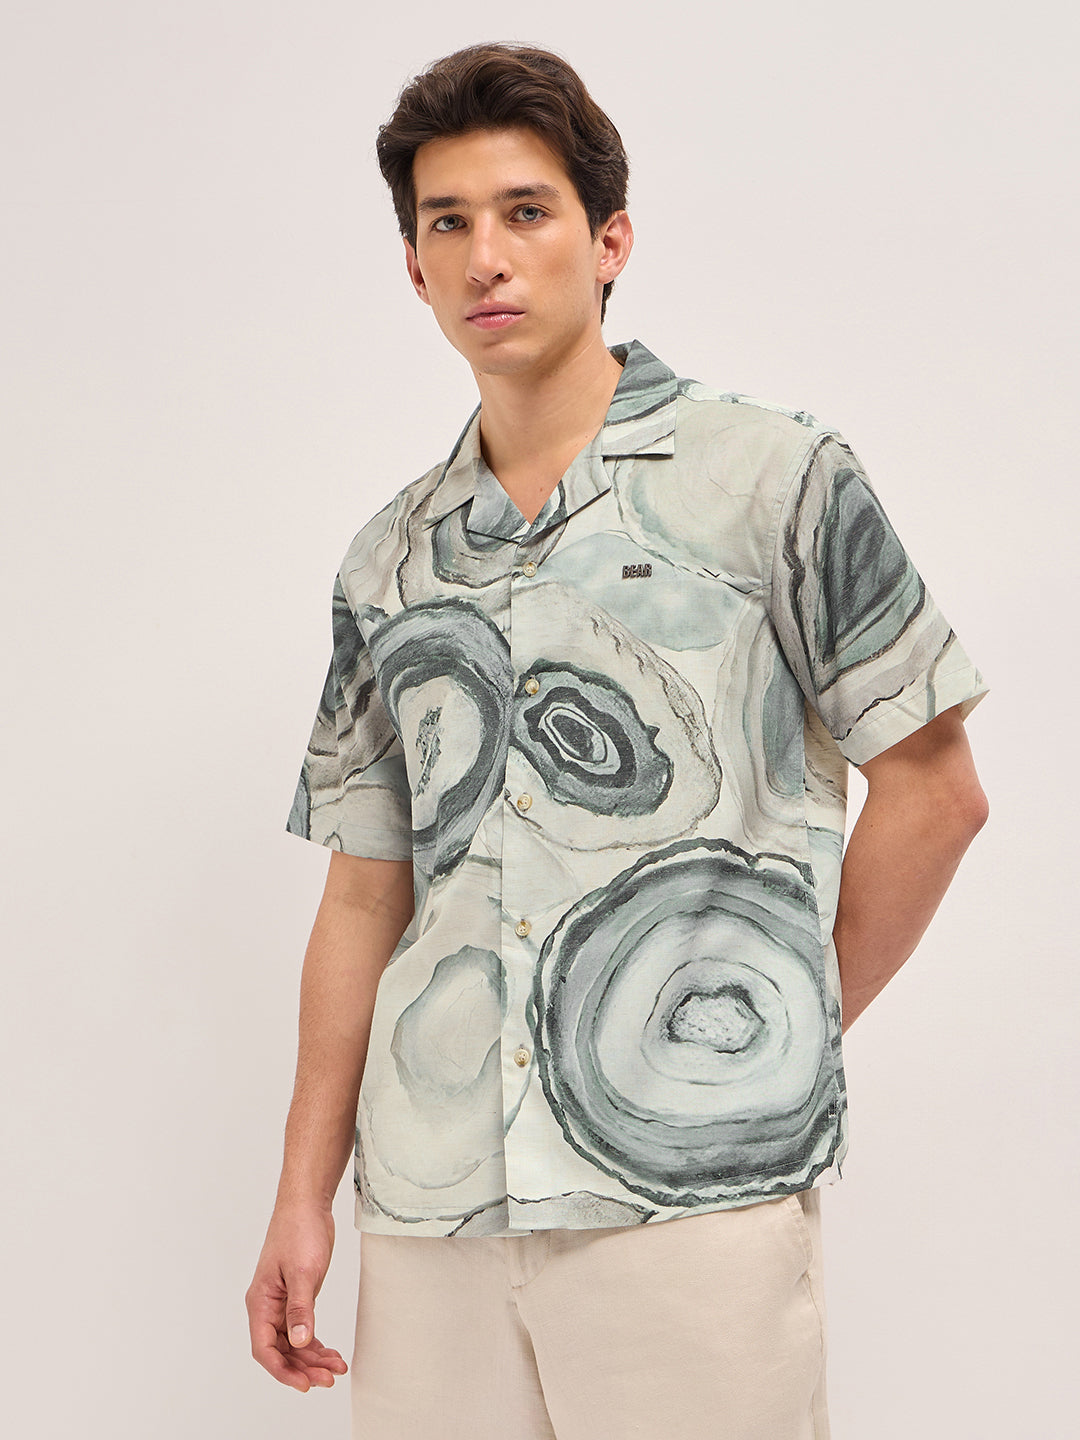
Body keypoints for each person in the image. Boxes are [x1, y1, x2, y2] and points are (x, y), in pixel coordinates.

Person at [245, 41, 989, 1440]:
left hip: (689, 1202)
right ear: (413, 268)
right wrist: (303, 1192)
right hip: (432, 1203)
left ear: (609, 241)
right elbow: (362, 891)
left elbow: (937, 791)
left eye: (525, 211)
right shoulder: (390, 560)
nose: (486, 256)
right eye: (448, 222)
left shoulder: (773, 480)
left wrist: (771, 1027)